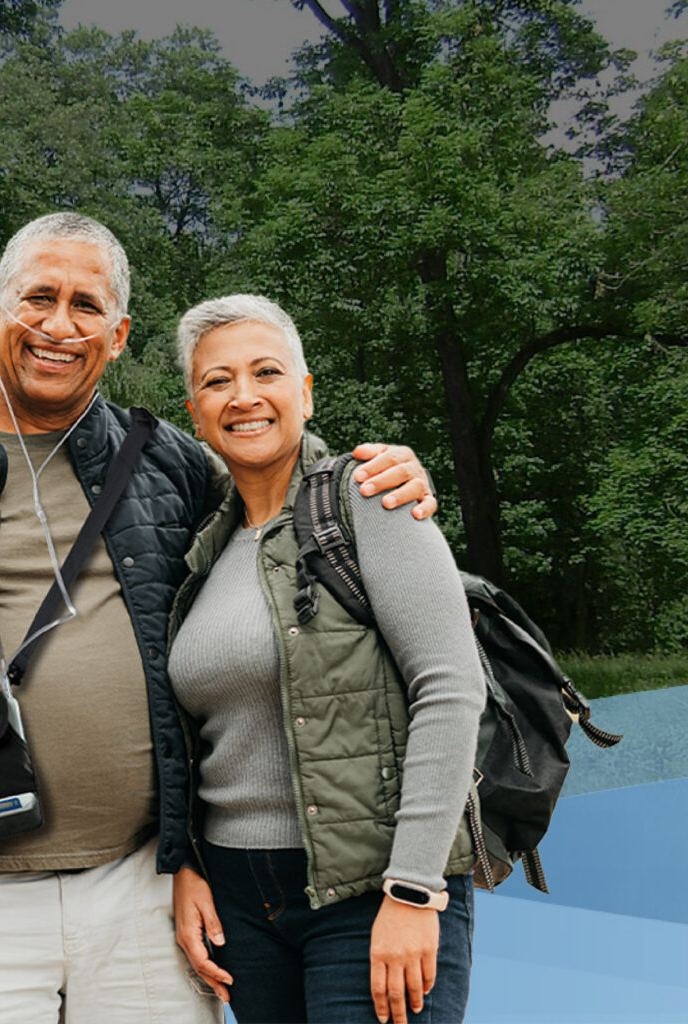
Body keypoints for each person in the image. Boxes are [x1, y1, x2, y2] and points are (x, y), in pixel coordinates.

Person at [0, 214, 435, 1024]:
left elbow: (273, 488)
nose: (60, 326)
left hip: (145, 890)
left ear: (118, 334)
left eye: (87, 305)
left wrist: (373, 473)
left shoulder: (173, 463)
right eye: (39, 298)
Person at [169, 294, 486, 1024]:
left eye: (265, 372)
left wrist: (413, 888)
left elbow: (448, 688)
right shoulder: (201, 547)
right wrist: (186, 861)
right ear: (195, 412)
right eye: (217, 382)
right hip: (241, 906)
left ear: (304, 393)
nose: (243, 396)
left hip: (370, 889)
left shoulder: (366, 499)